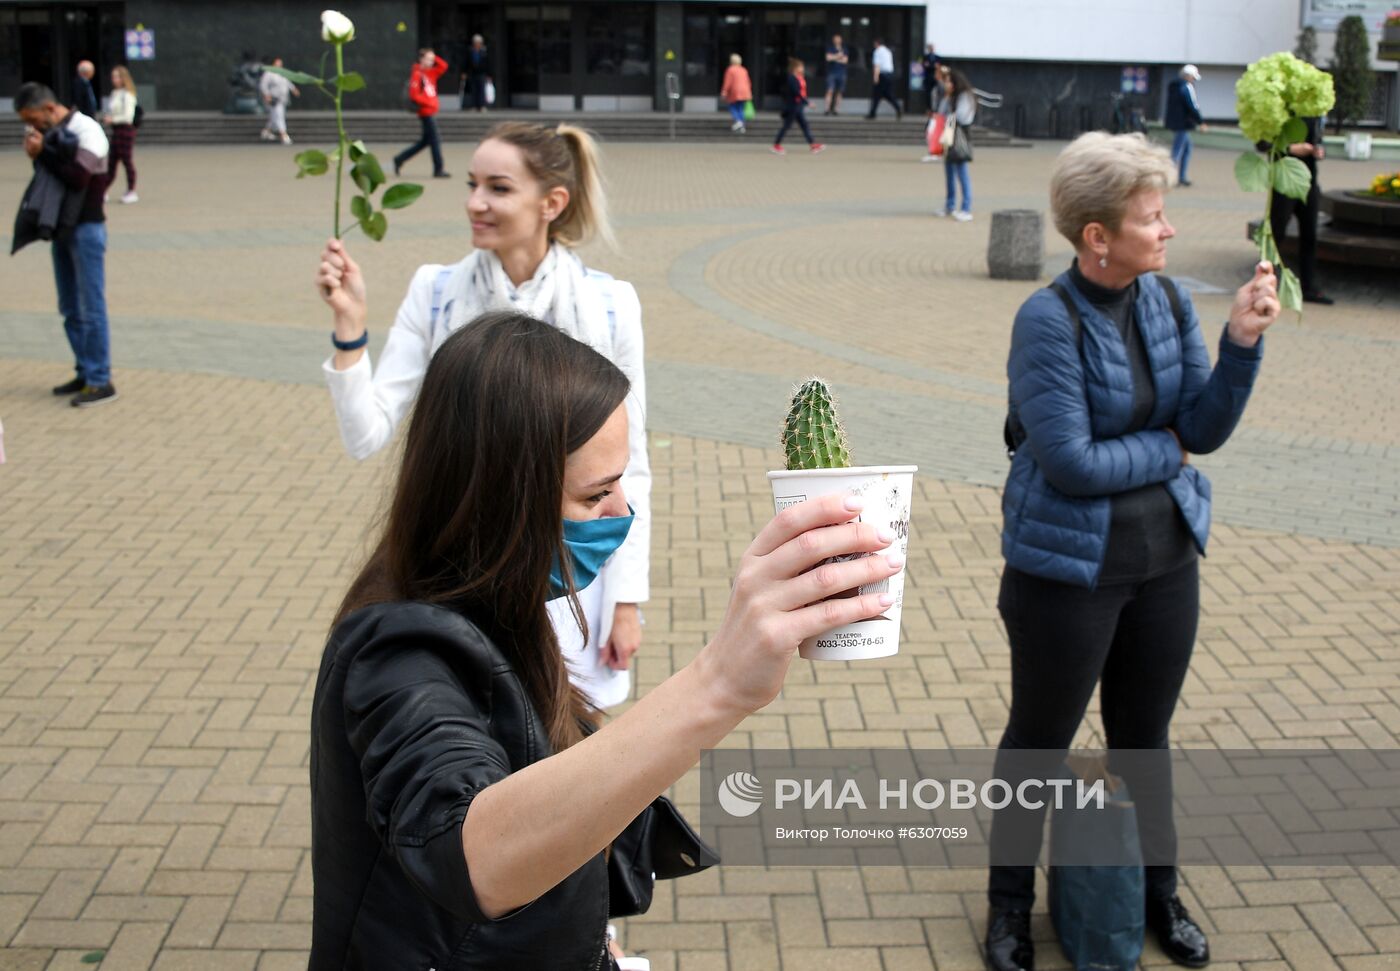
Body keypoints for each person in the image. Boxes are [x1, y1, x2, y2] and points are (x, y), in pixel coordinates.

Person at [309, 310, 904, 969]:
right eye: (595, 494)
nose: (623, 510)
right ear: (500, 500)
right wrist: (719, 683)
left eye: (623, 479)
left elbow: (543, 787)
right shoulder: (396, 651)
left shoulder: (500, 598)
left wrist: (597, 938)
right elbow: (471, 854)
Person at [985, 131, 1279, 971]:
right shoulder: (1045, 321)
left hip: (1165, 564)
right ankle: (1008, 909)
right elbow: (1072, 465)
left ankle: (1159, 892)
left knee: (1143, 737)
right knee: (1039, 740)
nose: (1169, 231)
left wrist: (1243, 346)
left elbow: (1204, 429)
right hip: (1067, 574)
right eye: (1152, 218)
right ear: (1097, 237)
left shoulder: (1168, 300)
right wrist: (1167, 447)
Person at [317, 121, 648, 709]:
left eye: (498, 188)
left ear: (552, 203)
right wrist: (350, 331)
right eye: (472, 185)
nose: (475, 203)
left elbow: (629, 466)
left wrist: (626, 600)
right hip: (463, 569)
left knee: (562, 737)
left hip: (570, 571)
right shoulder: (437, 291)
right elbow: (366, 435)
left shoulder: (609, 304)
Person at [13, 82, 117, 407]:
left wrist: (43, 151)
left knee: (91, 308)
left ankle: (101, 380)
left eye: (33, 118)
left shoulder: (88, 130)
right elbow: (54, 177)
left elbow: (77, 178)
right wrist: (38, 155)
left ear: (49, 108)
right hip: (62, 229)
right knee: (70, 308)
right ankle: (85, 371)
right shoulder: (56, 135)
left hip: (87, 229)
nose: (32, 126)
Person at [1267, 116, 1333, 305]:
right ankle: (1266, 284)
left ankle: (1309, 286)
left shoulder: (1314, 112)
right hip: (1285, 180)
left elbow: (1317, 140)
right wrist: (1292, 149)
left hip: (1309, 182)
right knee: (1276, 233)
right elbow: (1264, 144)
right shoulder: (1282, 109)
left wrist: (1319, 150)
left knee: (1310, 234)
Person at [394, 48, 450, 179]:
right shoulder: (417, 74)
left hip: (430, 110)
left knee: (425, 142)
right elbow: (414, 95)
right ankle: (438, 169)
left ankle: (399, 159)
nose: (431, 62)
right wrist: (429, 103)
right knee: (435, 140)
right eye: (428, 59)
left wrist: (434, 57)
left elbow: (444, 66)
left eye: (432, 60)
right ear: (421, 59)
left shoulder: (431, 73)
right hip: (426, 112)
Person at [935, 67, 975, 220]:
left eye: (948, 82)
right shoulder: (950, 97)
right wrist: (947, 98)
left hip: (959, 137)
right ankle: (949, 205)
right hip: (949, 135)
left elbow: (962, 117)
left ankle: (966, 208)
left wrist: (948, 117)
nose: (946, 84)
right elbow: (941, 112)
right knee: (949, 172)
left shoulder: (965, 97)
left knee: (962, 172)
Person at [770, 58, 824, 156]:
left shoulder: (799, 77)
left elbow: (801, 91)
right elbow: (796, 92)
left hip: (798, 106)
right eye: (801, 66)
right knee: (787, 126)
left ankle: (813, 145)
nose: (803, 68)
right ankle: (776, 145)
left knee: (804, 125)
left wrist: (804, 102)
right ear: (795, 68)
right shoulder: (791, 78)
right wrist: (808, 102)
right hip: (793, 106)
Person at [103, 65, 139, 204]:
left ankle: (131, 190)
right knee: (112, 161)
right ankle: (103, 190)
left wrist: (113, 119)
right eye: (113, 76)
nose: (114, 79)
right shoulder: (115, 93)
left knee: (126, 160)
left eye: (117, 76)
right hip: (116, 130)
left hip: (125, 130)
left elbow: (128, 116)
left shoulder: (128, 95)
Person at [1165, 64, 1204, 187]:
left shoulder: (1174, 86)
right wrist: (1200, 121)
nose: (1193, 80)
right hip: (1184, 123)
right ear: (1188, 76)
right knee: (1178, 150)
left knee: (1186, 148)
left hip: (1176, 122)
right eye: (1193, 77)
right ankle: (1171, 177)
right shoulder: (1187, 87)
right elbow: (1192, 106)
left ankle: (1181, 177)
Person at [259, 56, 300, 145]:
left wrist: (293, 89)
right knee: (279, 116)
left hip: (283, 98)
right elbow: (263, 85)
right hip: (274, 98)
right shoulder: (269, 73)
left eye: (280, 63)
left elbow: (287, 82)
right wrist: (267, 95)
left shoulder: (282, 73)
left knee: (275, 117)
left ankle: (266, 132)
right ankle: (284, 135)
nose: (279, 64)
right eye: (277, 63)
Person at [866, 38, 901, 120]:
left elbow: (877, 65)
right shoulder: (888, 51)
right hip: (889, 75)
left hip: (882, 75)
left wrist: (875, 77)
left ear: (877, 44)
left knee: (876, 95)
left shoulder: (877, 52)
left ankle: (872, 113)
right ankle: (897, 108)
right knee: (887, 94)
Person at [720, 53, 753, 134]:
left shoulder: (730, 69)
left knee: (732, 107)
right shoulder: (743, 69)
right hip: (745, 91)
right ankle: (741, 126)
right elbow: (748, 82)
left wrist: (724, 91)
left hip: (735, 91)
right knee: (741, 109)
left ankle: (738, 122)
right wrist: (749, 92)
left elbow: (728, 82)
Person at [463, 34, 490, 111]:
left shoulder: (484, 51)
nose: (477, 44)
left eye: (478, 42)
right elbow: (466, 62)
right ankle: (473, 106)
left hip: (482, 73)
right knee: (473, 90)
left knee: (482, 90)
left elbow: (488, 63)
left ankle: (482, 106)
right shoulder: (470, 51)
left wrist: (489, 75)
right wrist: (464, 72)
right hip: (472, 73)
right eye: (476, 42)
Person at [824, 34, 848, 115]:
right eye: (835, 39)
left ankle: (836, 109)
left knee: (840, 92)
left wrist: (833, 58)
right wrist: (838, 56)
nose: (837, 40)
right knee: (830, 90)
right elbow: (827, 58)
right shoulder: (830, 48)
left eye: (838, 39)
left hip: (841, 73)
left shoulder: (844, 49)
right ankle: (827, 109)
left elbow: (845, 61)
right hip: (832, 73)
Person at [921, 43, 942, 111]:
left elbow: (938, 66)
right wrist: (933, 66)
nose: (931, 49)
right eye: (930, 48)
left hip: (935, 77)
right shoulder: (925, 57)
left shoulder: (937, 57)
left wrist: (930, 66)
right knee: (928, 94)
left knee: (937, 93)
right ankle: (929, 108)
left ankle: (936, 108)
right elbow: (924, 66)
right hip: (928, 78)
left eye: (932, 47)